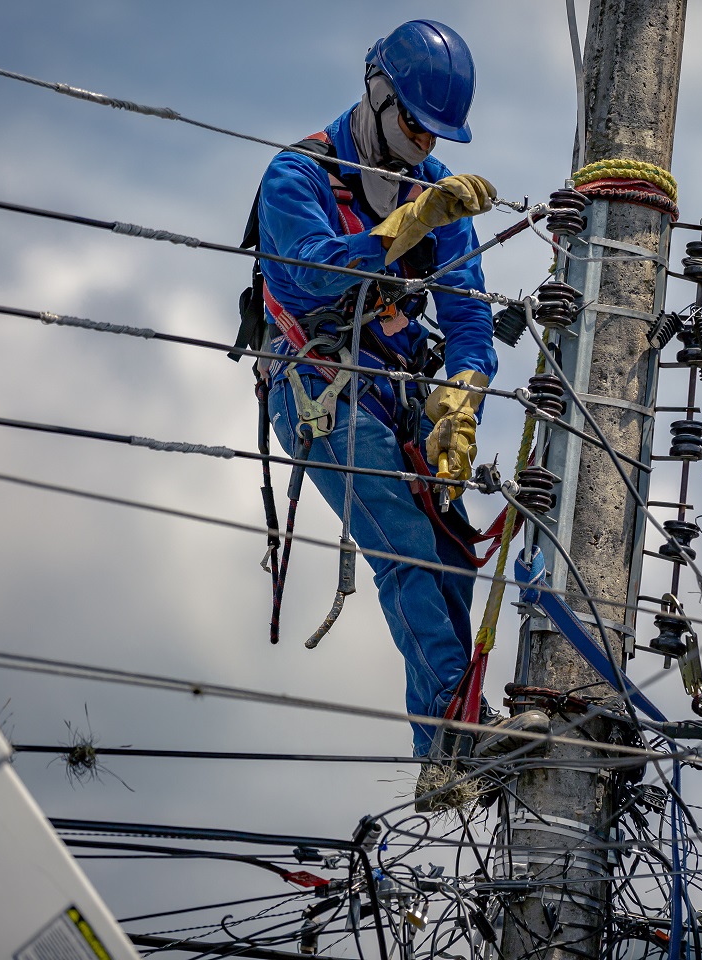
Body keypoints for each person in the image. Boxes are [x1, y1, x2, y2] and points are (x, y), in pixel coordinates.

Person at [249, 20, 543, 763]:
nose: (421, 143)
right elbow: (310, 276)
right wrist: (409, 224)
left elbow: (470, 319)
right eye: (413, 122)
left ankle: (442, 749)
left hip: (399, 393)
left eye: (435, 132)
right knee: (408, 550)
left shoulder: (439, 199)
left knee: (449, 556)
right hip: (318, 389)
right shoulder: (300, 175)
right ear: (377, 94)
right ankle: (459, 726)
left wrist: (462, 399)